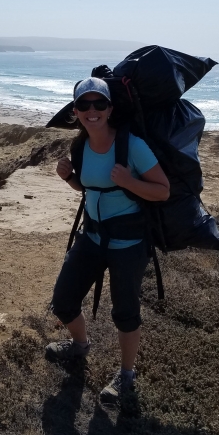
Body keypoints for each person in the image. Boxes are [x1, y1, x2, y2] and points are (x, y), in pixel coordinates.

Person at [47, 77, 170, 405]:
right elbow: (89, 188)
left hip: (128, 243)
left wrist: (130, 181)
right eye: (84, 105)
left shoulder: (132, 147)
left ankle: (126, 375)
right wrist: (70, 177)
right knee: (63, 301)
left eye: (99, 103)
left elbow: (162, 190)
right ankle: (80, 345)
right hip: (91, 236)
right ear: (75, 111)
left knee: (125, 313)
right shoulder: (79, 147)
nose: (92, 110)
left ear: (110, 108)